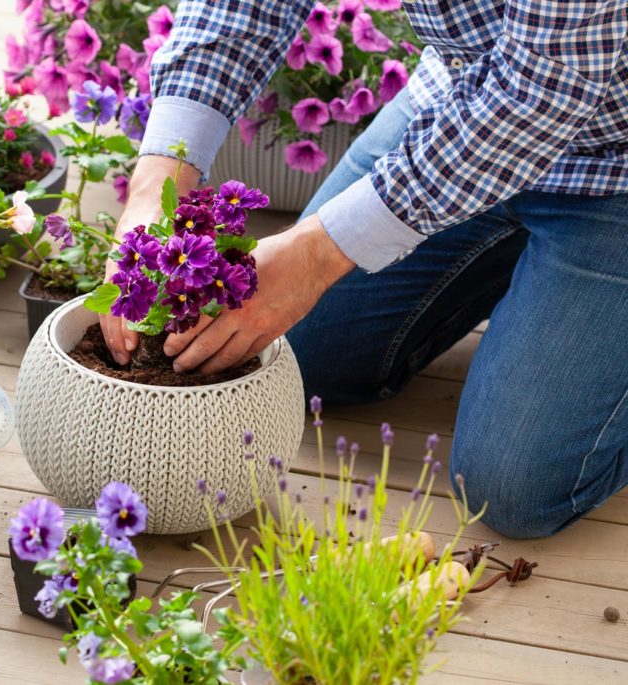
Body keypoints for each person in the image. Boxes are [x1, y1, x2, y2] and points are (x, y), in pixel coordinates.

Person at [100, 0, 628, 539]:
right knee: (297, 354)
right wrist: (155, 185)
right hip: (464, 106)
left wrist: (312, 257)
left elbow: (540, 94)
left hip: (611, 158)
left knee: (516, 488)